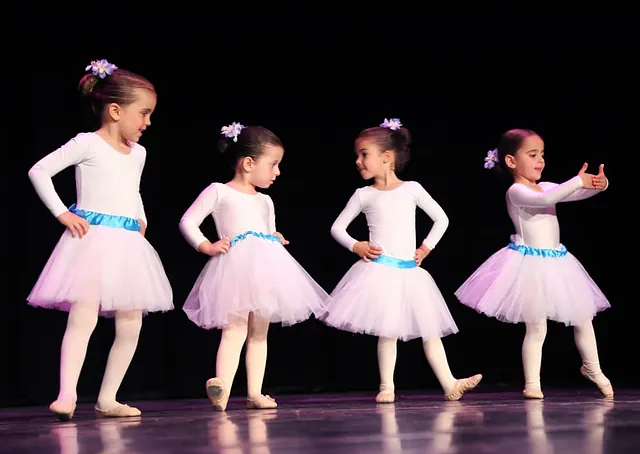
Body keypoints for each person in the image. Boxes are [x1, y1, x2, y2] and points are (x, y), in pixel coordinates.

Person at [27, 59, 174, 419]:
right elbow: (40, 170)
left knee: (131, 322)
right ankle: (67, 394)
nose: (147, 123)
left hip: (126, 242)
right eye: (143, 113)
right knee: (83, 315)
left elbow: (132, 188)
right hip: (92, 241)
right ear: (114, 110)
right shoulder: (87, 144)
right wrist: (62, 212)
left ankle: (108, 398)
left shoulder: (138, 152)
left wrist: (141, 216)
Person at [322, 118, 482, 403]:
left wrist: (425, 248)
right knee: (388, 331)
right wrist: (356, 245)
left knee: (431, 331)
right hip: (381, 271)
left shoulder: (412, 189)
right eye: (357, 156)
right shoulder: (364, 195)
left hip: (410, 273)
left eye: (364, 154)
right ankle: (387, 387)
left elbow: (441, 219)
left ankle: (450, 383)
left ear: (386, 158)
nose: (358, 161)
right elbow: (337, 228)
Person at [179, 122, 330, 411]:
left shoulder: (266, 200)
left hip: (266, 269)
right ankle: (221, 387)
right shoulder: (219, 192)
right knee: (234, 328)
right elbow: (188, 221)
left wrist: (276, 237)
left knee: (260, 332)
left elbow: (268, 229)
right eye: (273, 164)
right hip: (235, 268)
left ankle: (255, 392)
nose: (277, 172)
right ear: (249, 163)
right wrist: (206, 245)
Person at [455, 128, 612, 399]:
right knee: (537, 326)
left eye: (542, 154)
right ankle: (532, 384)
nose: (540, 160)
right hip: (529, 264)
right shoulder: (516, 191)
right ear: (511, 161)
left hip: (558, 262)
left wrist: (599, 184)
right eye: (532, 154)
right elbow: (545, 200)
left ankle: (592, 368)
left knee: (583, 318)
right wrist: (576, 180)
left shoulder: (547, 185)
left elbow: (575, 194)